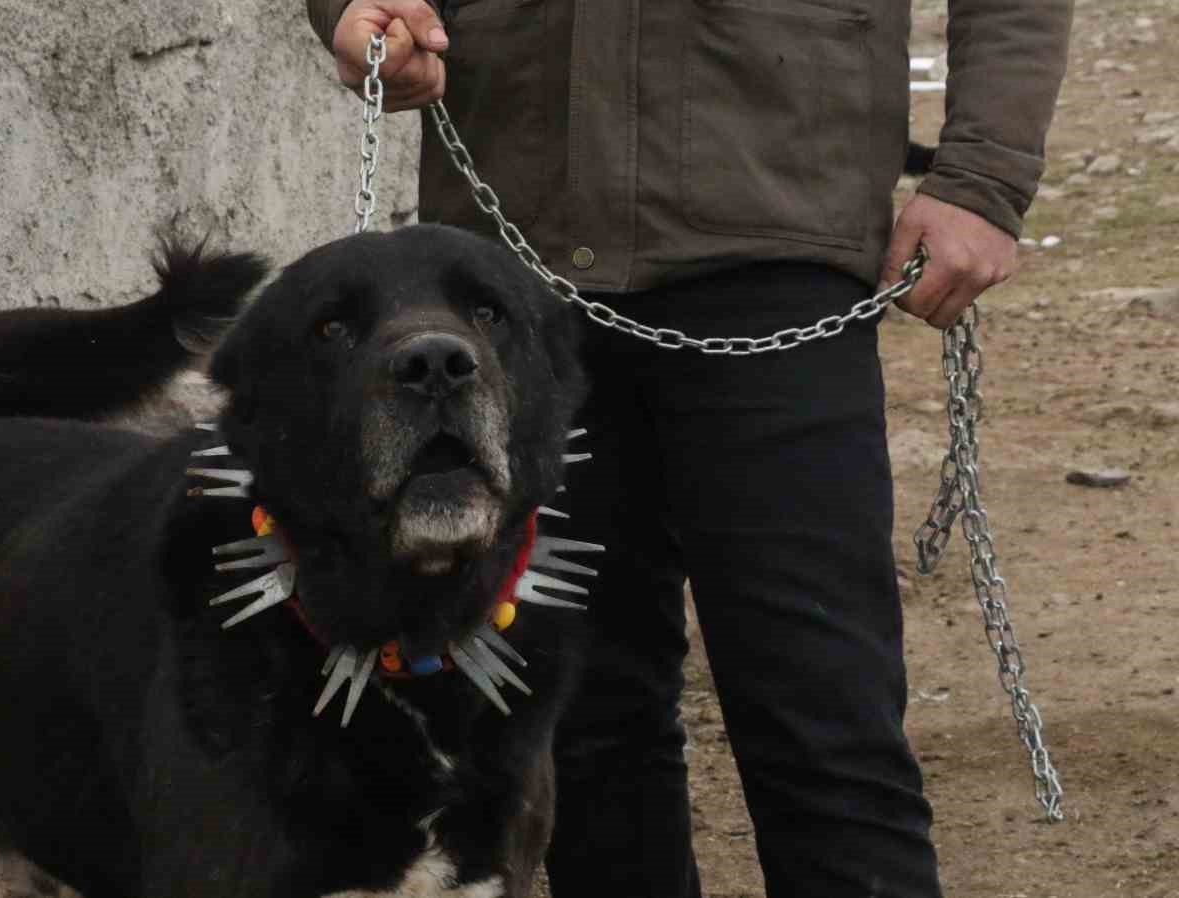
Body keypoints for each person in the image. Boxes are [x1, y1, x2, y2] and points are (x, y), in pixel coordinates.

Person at [303, 1, 1072, 896]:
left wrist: (982, 179)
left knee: (822, 721)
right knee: (580, 725)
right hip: (517, 247)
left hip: (775, 231)